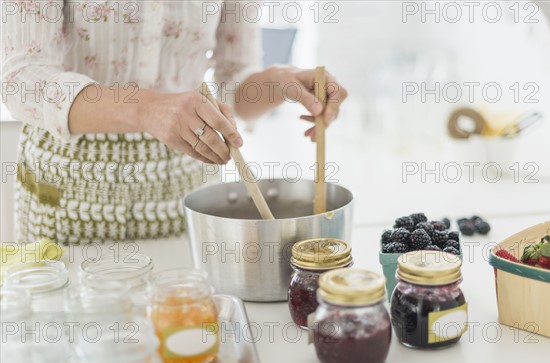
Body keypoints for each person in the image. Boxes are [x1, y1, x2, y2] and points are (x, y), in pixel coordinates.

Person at [1, 1, 347, 243]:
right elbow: (22, 79)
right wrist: (145, 108)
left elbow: (232, 86)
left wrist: (276, 81)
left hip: (187, 194)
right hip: (65, 190)